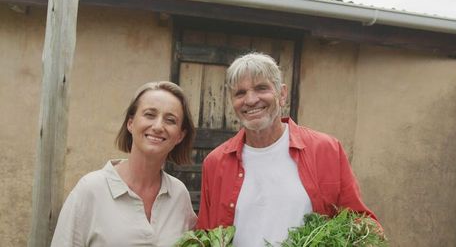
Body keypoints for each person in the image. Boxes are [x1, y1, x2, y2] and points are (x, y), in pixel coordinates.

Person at [197, 53, 380, 246]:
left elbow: (358, 222)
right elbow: (205, 234)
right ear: (232, 102)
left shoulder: (326, 150)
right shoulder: (215, 162)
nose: (250, 100)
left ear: (282, 94)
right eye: (240, 93)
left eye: (261, 88)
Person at [51, 81, 197, 247]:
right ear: (130, 123)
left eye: (170, 120)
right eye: (149, 115)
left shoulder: (179, 195)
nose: (158, 126)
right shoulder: (91, 190)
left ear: (180, 136)